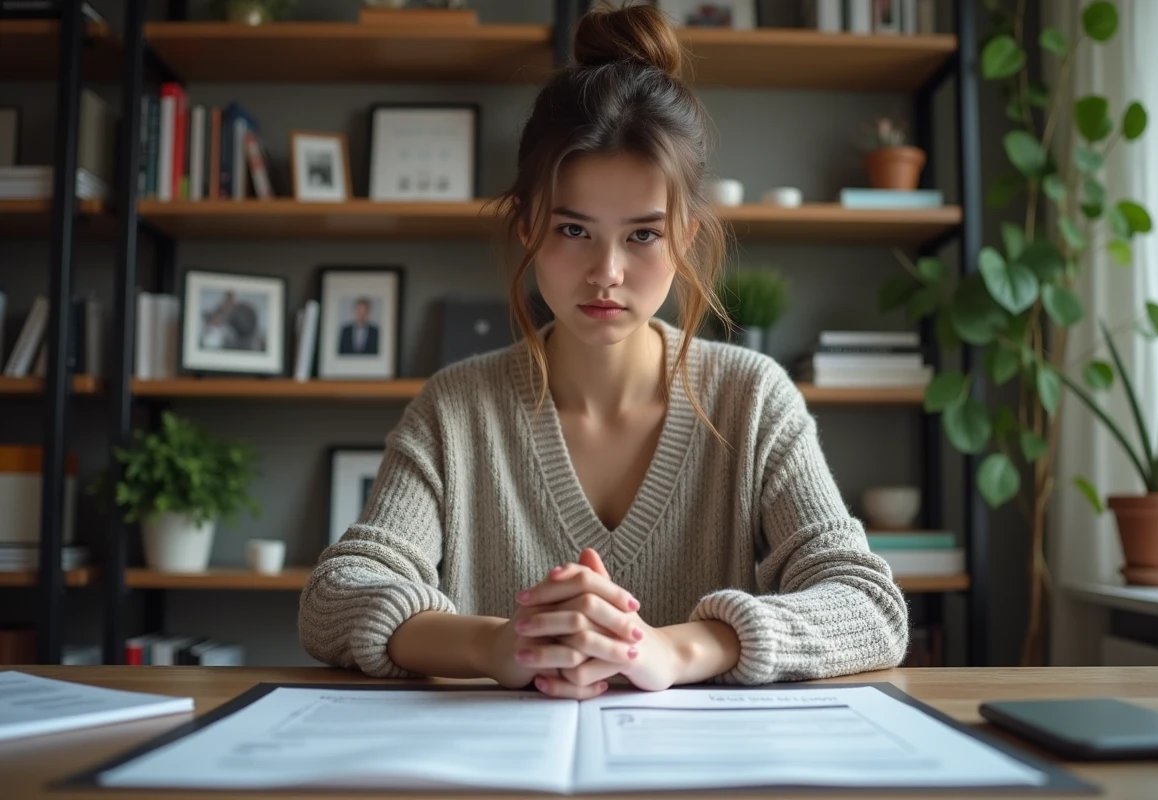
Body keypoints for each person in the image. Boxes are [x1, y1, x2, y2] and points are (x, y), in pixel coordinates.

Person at [299, 2, 907, 698]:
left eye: (643, 235)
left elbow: (868, 606)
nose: (606, 273)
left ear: (686, 236)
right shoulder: (458, 408)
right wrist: (498, 643)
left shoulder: (752, 397)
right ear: (527, 226)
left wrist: (673, 651)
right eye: (573, 230)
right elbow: (335, 597)